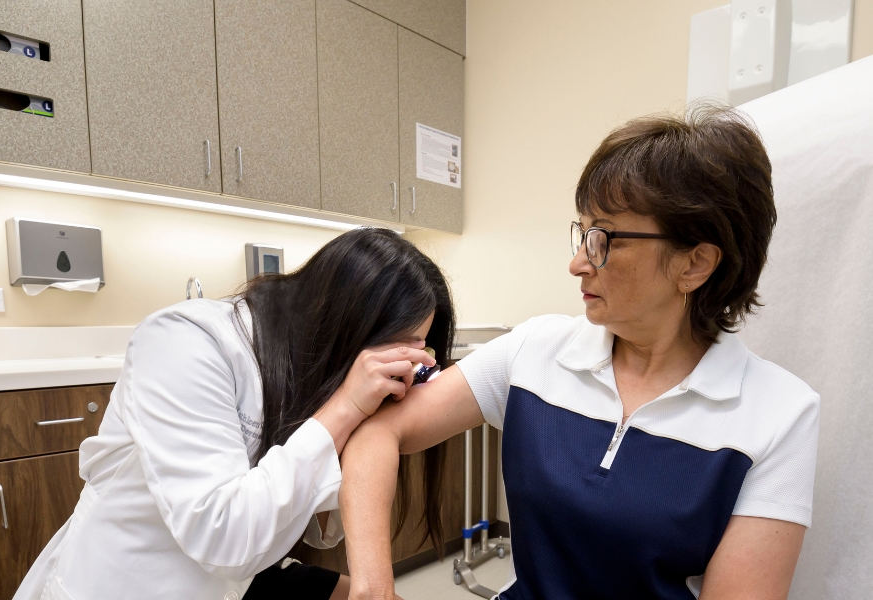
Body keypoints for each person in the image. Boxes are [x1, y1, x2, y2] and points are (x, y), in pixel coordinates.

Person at [339, 107, 820, 600]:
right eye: (582, 232)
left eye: (603, 239)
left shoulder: (779, 415)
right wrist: (374, 587)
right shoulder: (537, 350)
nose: (576, 263)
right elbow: (380, 429)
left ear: (695, 263)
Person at [13, 228, 454, 600]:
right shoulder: (186, 342)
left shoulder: (308, 372)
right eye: (401, 348)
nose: (409, 367)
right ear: (344, 324)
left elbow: (302, 525)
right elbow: (222, 535)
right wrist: (346, 408)